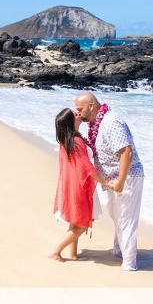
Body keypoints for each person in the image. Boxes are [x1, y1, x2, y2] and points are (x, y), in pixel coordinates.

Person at [74, 91, 144, 271]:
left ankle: (130, 262)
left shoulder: (111, 122)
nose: (78, 113)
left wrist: (120, 182)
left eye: (80, 109)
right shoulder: (97, 124)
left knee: (125, 218)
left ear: (91, 106)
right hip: (113, 179)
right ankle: (119, 249)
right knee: (116, 214)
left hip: (127, 177)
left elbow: (126, 153)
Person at [51, 107, 108, 262]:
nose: (79, 115)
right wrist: (104, 182)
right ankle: (56, 252)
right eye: (76, 114)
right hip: (80, 186)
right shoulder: (76, 141)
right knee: (83, 224)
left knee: (75, 221)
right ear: (71, 122)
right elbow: (85, 166)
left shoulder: (67, 141)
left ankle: (73, 254)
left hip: (71, 184)